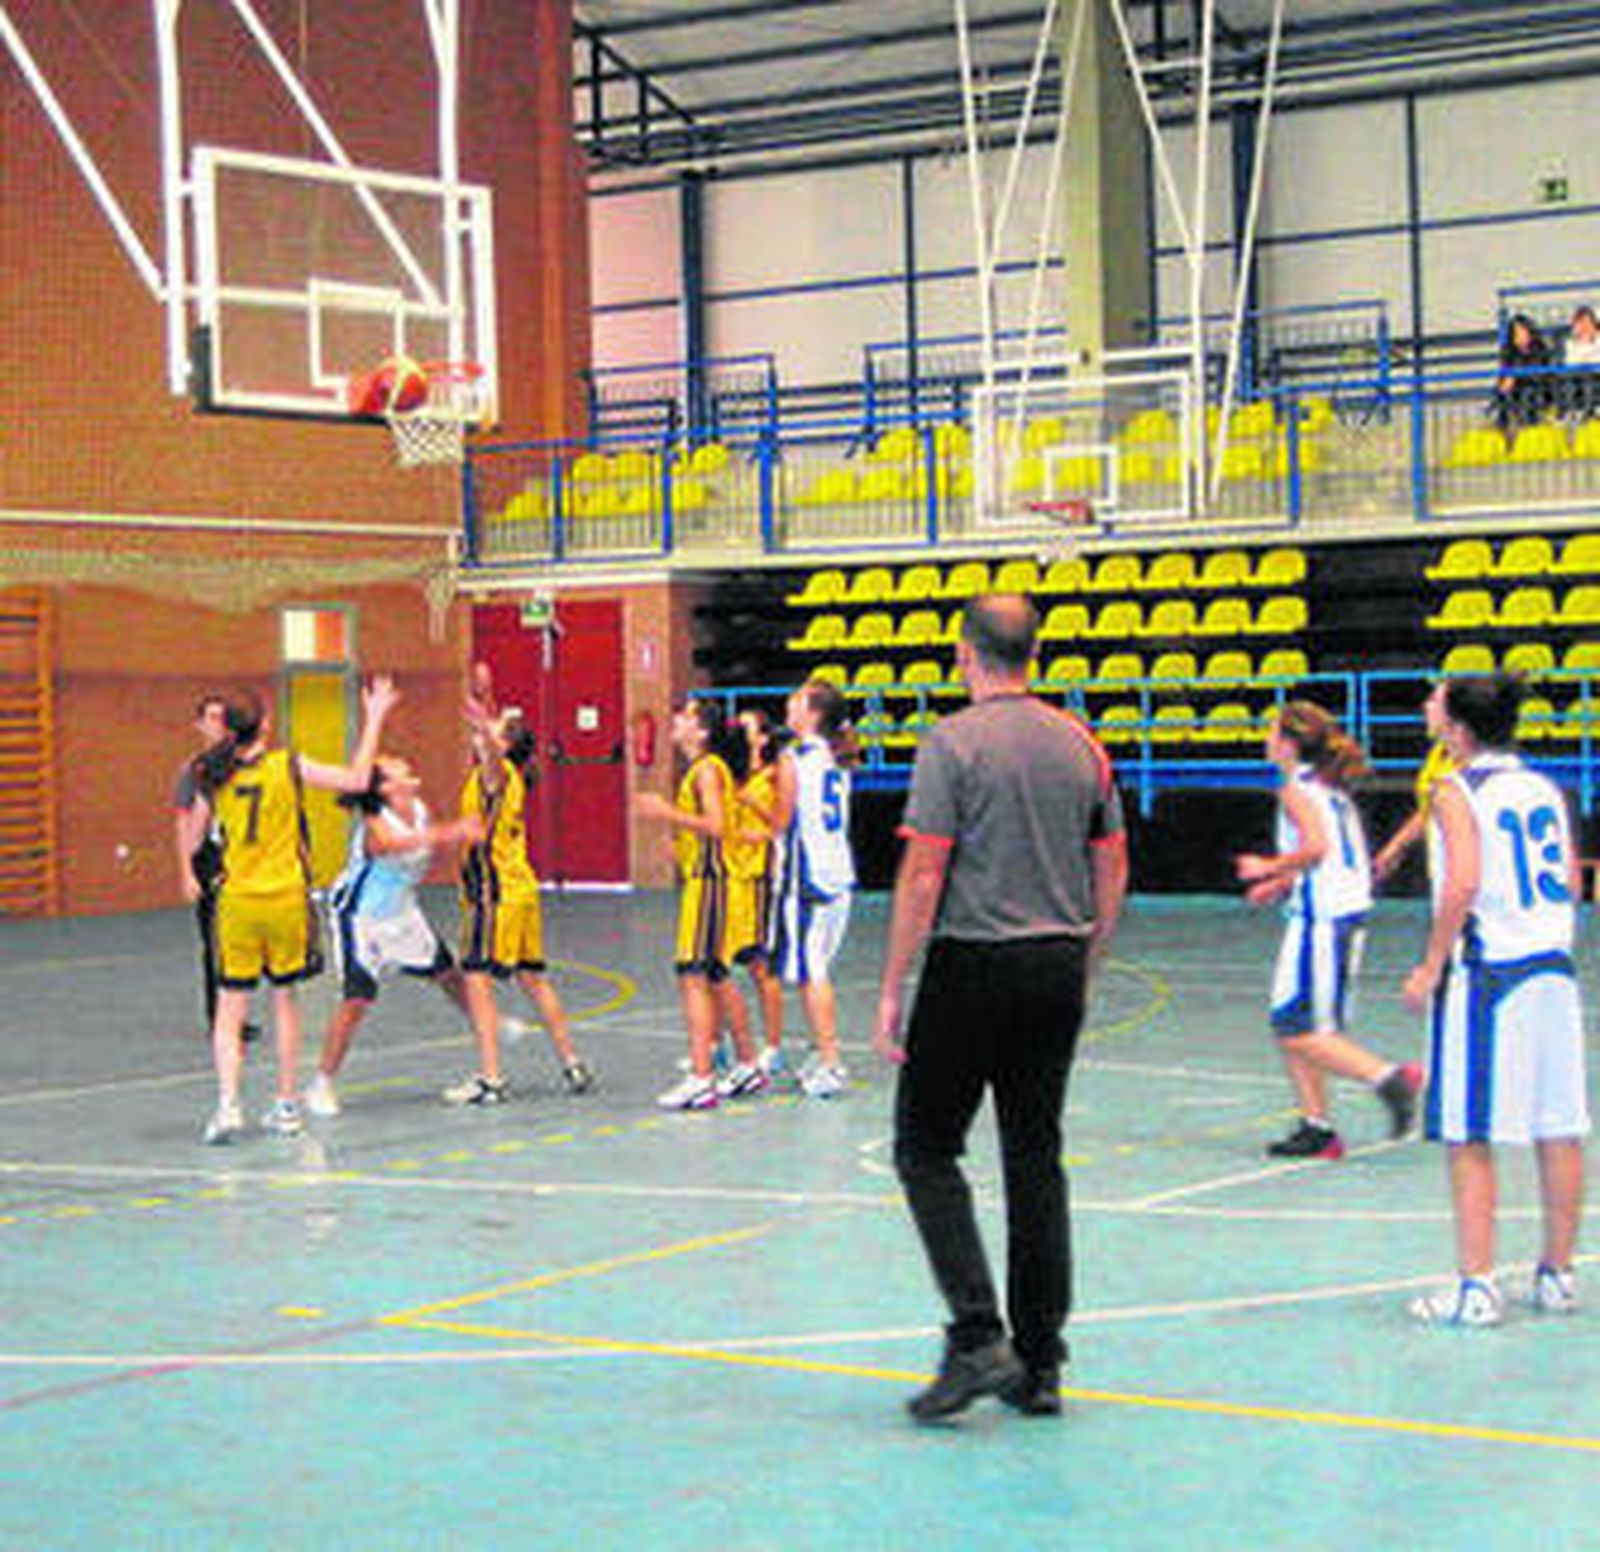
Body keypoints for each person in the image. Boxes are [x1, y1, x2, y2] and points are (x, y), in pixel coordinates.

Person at [873, 594, 1127, 1423]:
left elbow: (924, 872)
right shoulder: (1080, 743)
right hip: (1056, 961)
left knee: (924, 1148)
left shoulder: (952, 744)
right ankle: (1041, 1364)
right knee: (1034, 1159)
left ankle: (979, 1333)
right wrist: (1085, 960)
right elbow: (1112, 865)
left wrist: (891, 986)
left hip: (973, 962)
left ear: (964, 652)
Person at [1401, 673, 1589, 1327]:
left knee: (1469, 1130)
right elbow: (1568, 878)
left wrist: (1429, 965)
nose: (1427, 704)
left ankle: (1477, 1287)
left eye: (1437, 698)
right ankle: (1557, 1275)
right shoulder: (1543, 786)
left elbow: (1463, 884)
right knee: (1558, 1123)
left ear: (1458, 725)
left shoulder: (1457, 789)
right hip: (1554, 966)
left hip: (1491, 971)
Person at [183, 675, 400, 1143]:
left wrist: (198, 864)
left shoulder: (211, 773)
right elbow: (358, 780)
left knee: (228, 1011)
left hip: (237, 901)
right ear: (264, 724)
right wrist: (376, 715)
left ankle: (227, 1105)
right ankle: (285, 1106)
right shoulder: (288, 765)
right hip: (285, 900)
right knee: (285, 1002)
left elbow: (195, 836)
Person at [1236, 702, 1423, 1160]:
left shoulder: (1297, 792)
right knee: (1299, 1023)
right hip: (1334, 916)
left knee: (1297, 1028)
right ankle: (1316, 1126)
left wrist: (1270, 866)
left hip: (1324, 923)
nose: (1265, 739)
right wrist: (1281, 884)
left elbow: (1317, 849)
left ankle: (1389, 1078)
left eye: (1271, 731)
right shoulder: (1330, 792)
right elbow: (1334, 856)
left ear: (1289, 742)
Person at [306, 754, 483, 1117]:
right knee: (357, 1000)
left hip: (402, 911)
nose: (405, 764)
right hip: (361, 917)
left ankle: (489, 1027)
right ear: (385, 787)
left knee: (449, 974)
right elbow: (391, 846)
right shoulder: (376, 820)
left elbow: (421, 855)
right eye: (395, 767)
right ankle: (321, 1083)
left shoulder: (418, 809)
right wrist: (454, 831)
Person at [443, 703, 593, 1105]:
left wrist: (481, 728)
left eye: (496, 729)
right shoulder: (505, 775)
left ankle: (491, 1078)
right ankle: (572, 1062)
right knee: (533, 978)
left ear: (504, 743)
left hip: (495, 894)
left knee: (476, 979)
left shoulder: (498, 773)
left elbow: (491, 757)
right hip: (519, 888)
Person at [635, 698, 763, 1110]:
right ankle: (747, 1063)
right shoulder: (705, 770)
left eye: (685, 716)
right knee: (716, 975)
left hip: (711, 884)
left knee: (692, 975)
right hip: (709, 880)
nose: (675, 719)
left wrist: (667, 813)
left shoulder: (707, 770)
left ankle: (702, 1077)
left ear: (702, 731)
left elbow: (717, 826)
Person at [769, 678, 857, 1098]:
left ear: (813, 712)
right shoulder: (837, 756)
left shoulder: (795, 758)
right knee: (813, 969)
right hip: (839, 874)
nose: (789, 702)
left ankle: (832, 1062)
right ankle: (820, 1053)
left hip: (808, 879)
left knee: (811, 971)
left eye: (797, 697)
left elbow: (781, 820)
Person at [722, 707, 786, 1087]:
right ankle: (722, 1048)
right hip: (732, 879)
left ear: (762, 738)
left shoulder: (772, 776)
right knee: (723, 965)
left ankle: (773, 1047)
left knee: (761, 967)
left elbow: (781, 823)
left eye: (747, 728)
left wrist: (750, 804)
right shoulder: (733, 775)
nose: (740, 731)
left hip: (758, 877)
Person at [1372, 681, 1455, 887]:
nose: (1425, 706)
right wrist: (1395, 847)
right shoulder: (1438, 753)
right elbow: (1430, 808)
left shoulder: (1466, 765)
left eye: (1435, 701)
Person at [1493, 313, 1553, 434]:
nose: (1521, 336)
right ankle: (1502, 432)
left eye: (1523, 331)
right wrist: (1506, 383)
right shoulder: (1508, 352)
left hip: (1538, 388)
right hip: (1517, 389)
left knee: (1527, 393)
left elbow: (1539, 375)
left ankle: (1529, 429)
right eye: (1517, 333)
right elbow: (1503, 376)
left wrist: (1517, 373)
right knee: (1503, 396)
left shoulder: (1539, 348)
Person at [1561, 304, 1600, 419]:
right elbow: (1569, 364)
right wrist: (1579, 342)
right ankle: (1575, 414)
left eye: (1588, 323)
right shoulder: (1570, 342)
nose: (1585, 328)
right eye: (1581, 324)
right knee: (1572, 384)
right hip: (1578, 377)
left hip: (1597, 376)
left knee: (1590, 382)